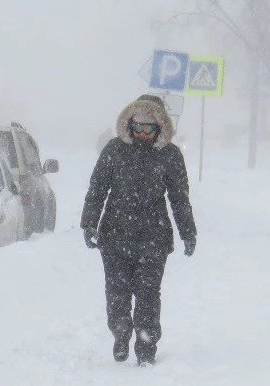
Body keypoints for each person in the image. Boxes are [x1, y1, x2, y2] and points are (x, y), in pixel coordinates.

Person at [80, 94, 197, 366]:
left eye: (149, 127)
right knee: (117, 293)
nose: (142, 133)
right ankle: (121, 334)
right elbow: (98, 188)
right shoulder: (114, 150)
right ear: (129, 123)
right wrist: (89, 222)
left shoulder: (170, 155)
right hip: (115, 236)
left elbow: (179, 198)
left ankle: (146, 347)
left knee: (147, 296)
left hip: (153, 239)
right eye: (138, 126)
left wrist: (188, 232)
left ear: (160, 126)